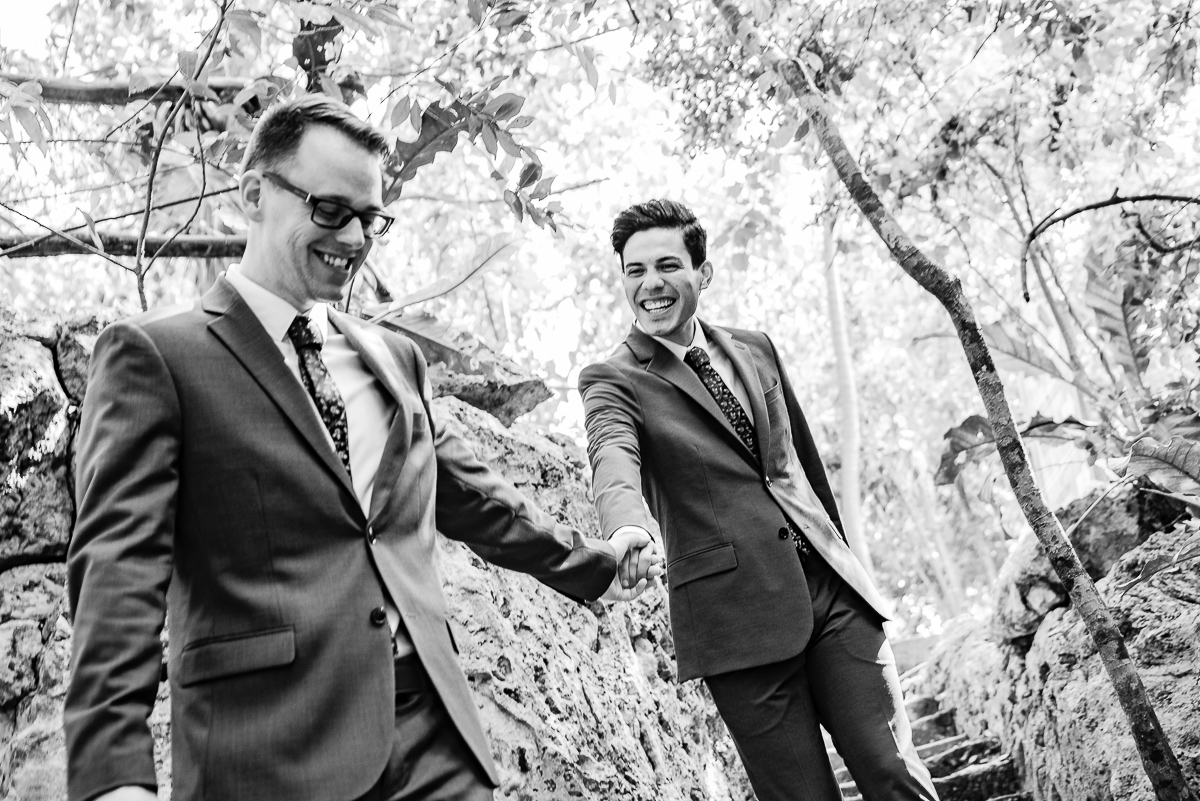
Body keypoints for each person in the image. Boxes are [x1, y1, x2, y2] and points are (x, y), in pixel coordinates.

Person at [64, 95, 660, 801]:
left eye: (370, 218)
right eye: (330, 210)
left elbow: (478, 500)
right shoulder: (156, 357)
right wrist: (112, 776)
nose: (353, 237)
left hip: (437, 744)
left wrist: (597, 563)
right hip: (269, 752)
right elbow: (118, 571)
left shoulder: (396, 358)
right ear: (253, 195)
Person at [579, 199, 938, 801]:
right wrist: (626, 528)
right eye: (634, 270)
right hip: (737, 622)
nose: (651, 284)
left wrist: (846, 563)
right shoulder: (612, 379)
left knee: (894, 771)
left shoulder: (757, 348)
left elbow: (802, 467)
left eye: (667, 265)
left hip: (831, 593)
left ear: (703, 273)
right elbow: (611, 457)